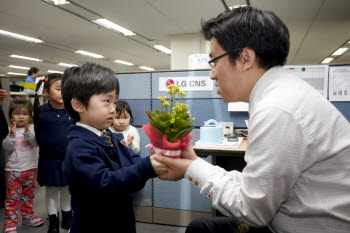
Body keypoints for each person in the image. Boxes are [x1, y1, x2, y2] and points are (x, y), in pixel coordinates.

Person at [154, 6, 350, 233]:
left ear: (245, 58)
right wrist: (194, 164)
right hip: (288, 214)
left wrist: (191, 169)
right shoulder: (283, 93)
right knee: (202, 227)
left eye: (214, 61)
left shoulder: (277, 109)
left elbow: (252, 210)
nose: (212, 74)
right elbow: (257, 186)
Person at [61, 63, 167, 233]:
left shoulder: (109, 136)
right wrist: (146, 167)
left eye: (115, 101)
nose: (113, 109)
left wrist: (154, 161)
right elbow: (105, 184)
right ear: (79, 105)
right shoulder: (80, 147)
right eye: (107, 101)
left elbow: (132, 160)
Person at [34, 73, 74, 233]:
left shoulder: (72, 111)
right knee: (50, 191)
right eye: (58, 89)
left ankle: (67, 218)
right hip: (48, 159)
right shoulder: (41, 112)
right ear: (47, 92)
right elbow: (38, 136)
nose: (62, 92)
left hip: (67, 159)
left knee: (66, 190)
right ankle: (53, 221)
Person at [3, 99, 44, 233]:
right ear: (11, 115)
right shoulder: (9, 129)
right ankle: (10, 223)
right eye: (17, 113)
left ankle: (28, 216)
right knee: (12, 199)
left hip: (31, 168)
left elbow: (36, 143)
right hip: (13, 171)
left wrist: (28, 133)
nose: (21, 116)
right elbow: (7, 147)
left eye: (25, 114)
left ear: (30, 116)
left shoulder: (32, 128)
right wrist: (12, 134)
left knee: (28, 196)